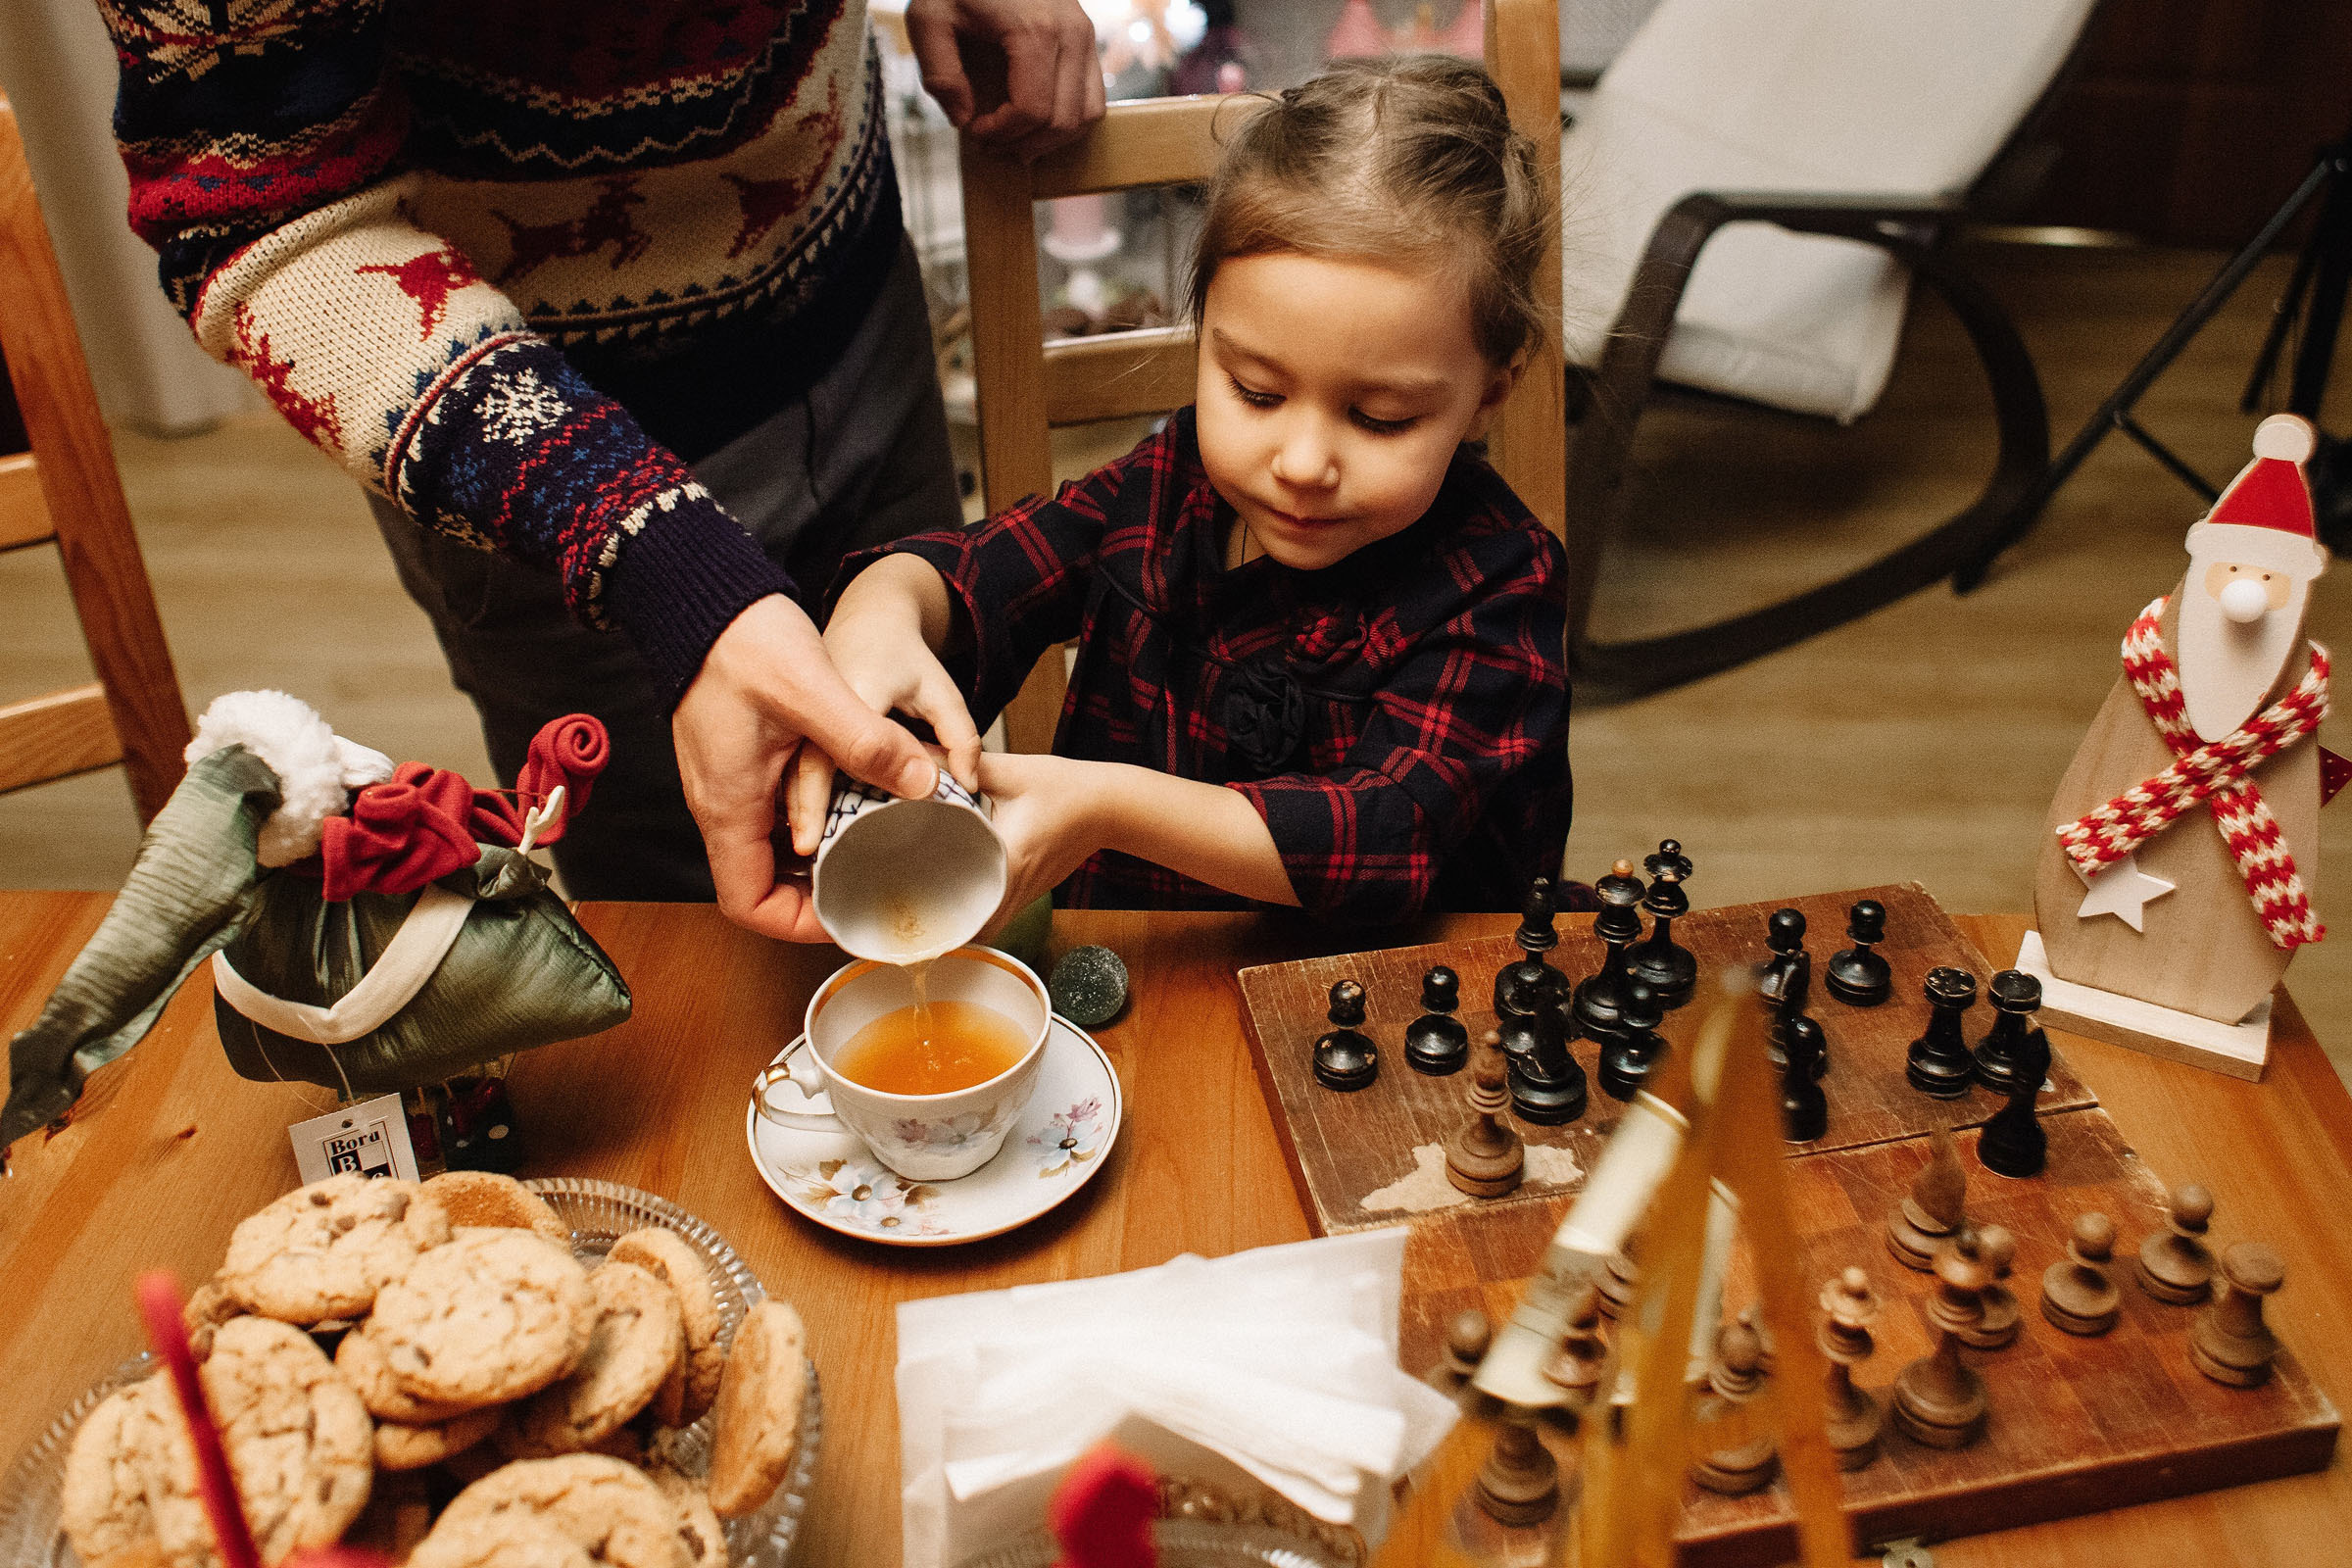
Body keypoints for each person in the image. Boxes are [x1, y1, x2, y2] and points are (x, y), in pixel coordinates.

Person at [95, 0, 1103, 940]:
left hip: (854, 283)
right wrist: (659, 561)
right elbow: (258, 225)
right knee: (695, 920)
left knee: (926, 805)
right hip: (533, 457)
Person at [804, 57, 1572, 924]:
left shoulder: (1501, 585)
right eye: (1257, 393)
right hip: (1142, 972)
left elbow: (1385, 837)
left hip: (1390, 1003)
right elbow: (984, 572)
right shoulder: (1168, 484)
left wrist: (1108, 807)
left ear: (1488, 397)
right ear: (1206, 339)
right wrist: (881, 608)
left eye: (1381, 418)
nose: (1303, 462)